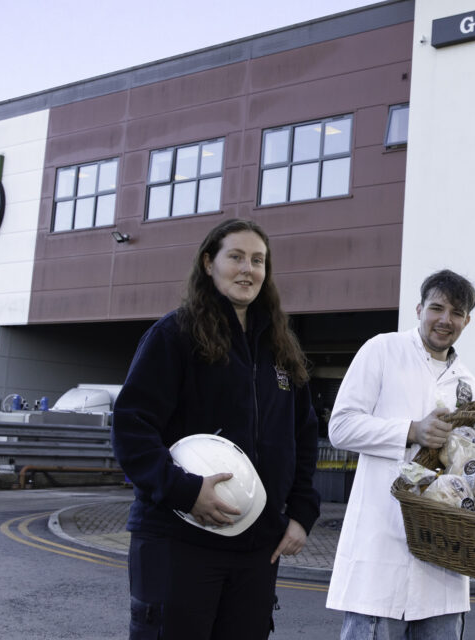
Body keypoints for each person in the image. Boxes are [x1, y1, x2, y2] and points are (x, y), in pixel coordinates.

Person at [112, 219, 320, 640]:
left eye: (258, 261)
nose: (248, 269)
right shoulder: (174, 335)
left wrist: (300, 514)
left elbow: (302, 436)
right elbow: (132, 427)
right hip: (178, 537)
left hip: (257, 546)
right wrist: (185, 491)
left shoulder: (281, 347)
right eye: (236, 257)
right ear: (209, 263)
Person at [326, 269, 475, 639]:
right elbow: (341, 427)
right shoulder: (382, 350)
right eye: (437, 308)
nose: (445, 320)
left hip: (444, 566)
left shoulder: (469, 383)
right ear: (419, 308)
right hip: (380, 551)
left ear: (467, 321)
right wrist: (411, 431)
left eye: (456, 312)